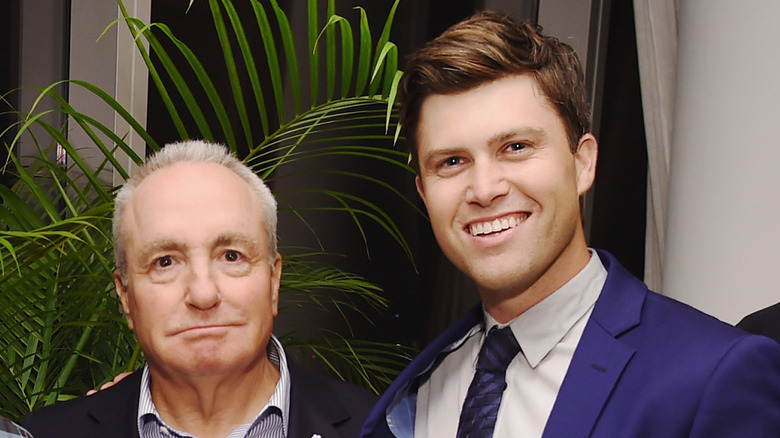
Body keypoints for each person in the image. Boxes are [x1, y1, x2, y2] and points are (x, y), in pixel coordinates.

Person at [361, 10, 780, 438]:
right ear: (425, 193)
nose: (484, 189)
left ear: (583, 163)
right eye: (452, 162)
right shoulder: (418, 393)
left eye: (516, 147)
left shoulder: (711, 375)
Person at [23, 140, 376, 438]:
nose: (204, 294)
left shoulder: (380, 430)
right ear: (126, 297)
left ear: (273, 281)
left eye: (232, 256)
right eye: (165, 262)